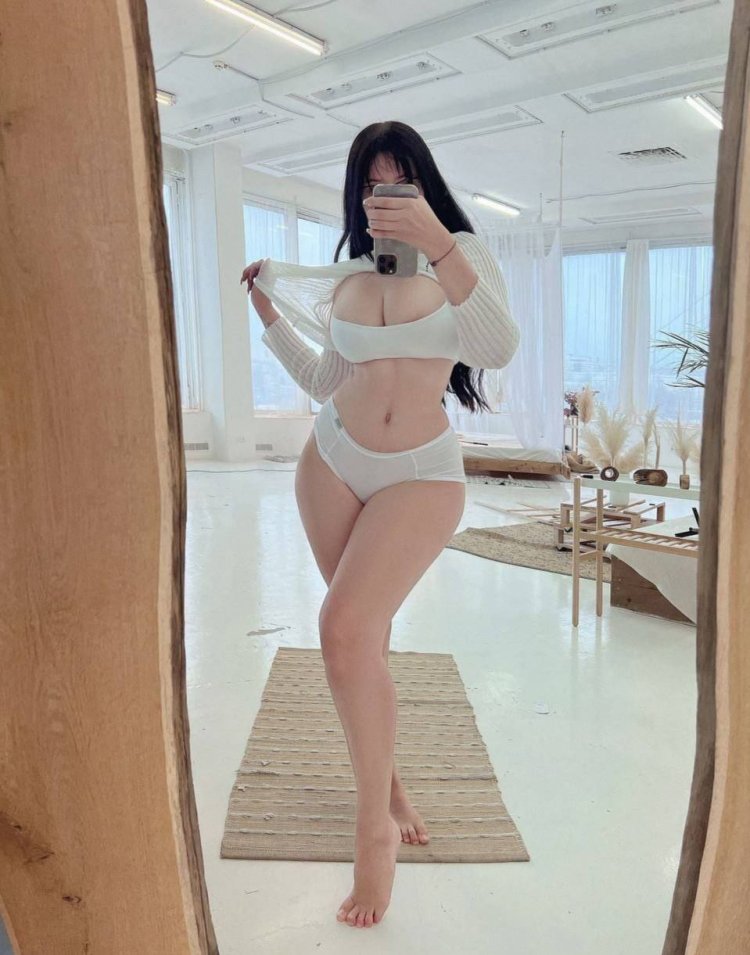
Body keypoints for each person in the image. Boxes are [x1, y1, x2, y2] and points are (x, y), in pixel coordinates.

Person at [240, 120, 520, 929]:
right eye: (371, 183)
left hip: (421, 473)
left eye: (400, 180)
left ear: (424, 184)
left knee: (343, 629)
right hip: (331, 460)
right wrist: (268, 314)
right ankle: (389, 784)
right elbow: (327, 376)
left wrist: (438, 241)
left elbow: (497, 346)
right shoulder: (350, 275)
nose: (384, 196)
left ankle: (373, 830)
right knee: (359, 641)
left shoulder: (465, 254)